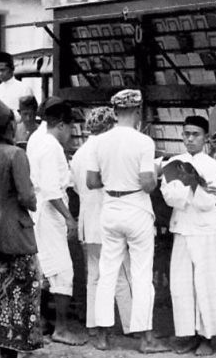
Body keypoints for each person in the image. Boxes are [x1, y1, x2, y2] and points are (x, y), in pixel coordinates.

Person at [86, 89, 169, 353]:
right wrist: (155, 171)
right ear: (137, 111)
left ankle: (101, 336)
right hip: (136, 209)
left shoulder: (99, 141)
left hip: (110, 208)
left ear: (114, 112)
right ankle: (145, 339)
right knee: (142, 275)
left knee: (107, 273)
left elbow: (91, 181)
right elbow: (147, 185)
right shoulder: (143, 142)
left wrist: (114, 179)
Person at [0, 97, 43, 358]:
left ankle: (5, 345)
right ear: (11, 127)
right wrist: (34, 201)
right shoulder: (16, 154)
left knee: (0, 290)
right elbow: (27, 196)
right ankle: (21, 343)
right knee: (24, 288)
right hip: (17, 230)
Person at [160, 115, 216, 356]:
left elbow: (210, 199)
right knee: (181, 285)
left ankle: (209, 337)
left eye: (195, 134)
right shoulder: (175, 161)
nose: (190, 139)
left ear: (206, 138)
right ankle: (187, 333)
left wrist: (189, 186)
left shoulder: (212, 165)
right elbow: (169, 196)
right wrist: (188, 187)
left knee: (205, 284)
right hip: (182, 228)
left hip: (204, 230)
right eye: (186, 134)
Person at [27, 97, 85, 346]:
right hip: (50, 212)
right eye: (71, 128)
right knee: (63, 270)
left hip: (39, 210)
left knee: (43, 267)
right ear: (61, 125)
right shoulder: (50, 146)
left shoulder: (36, 138)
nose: (71, 134)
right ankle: (61, 328)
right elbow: (52, 191)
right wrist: (69, 219)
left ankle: (41, 321)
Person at [70, 106, 133, 337]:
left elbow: (76, 187)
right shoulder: (109, 150)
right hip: (109, 218)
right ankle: (130, 324)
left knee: (94, 276)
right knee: (120, 274)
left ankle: (93, 325)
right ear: (109, 126)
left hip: (88, 221)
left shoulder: (79, 154)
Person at [0, 52, 34, 117]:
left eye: (3, 70)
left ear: (12, 68)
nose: (0, 74)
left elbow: (28, 113)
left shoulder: (24, 88)